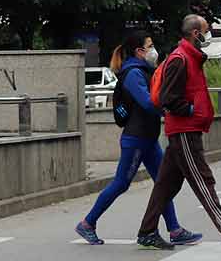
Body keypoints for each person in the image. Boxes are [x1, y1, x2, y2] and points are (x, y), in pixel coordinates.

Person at [135, 14, 221, 252]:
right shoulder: (180, 59)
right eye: (206, 29)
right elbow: (167, 98)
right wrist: (191, 110)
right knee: (203, 181)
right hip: (184, 131)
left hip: (184, 130)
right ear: (196, 33)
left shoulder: (190, 58)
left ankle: (147, 231)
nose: (209, 33)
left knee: (166, 186)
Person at [75, 30, 202, 247]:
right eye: (150, 45)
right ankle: (87, 223)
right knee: (121, 183)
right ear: (139, 51)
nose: (154, 50)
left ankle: (175, 230)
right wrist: (175, 109)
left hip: (147, 138)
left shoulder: (144, 70)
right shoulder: (134, 74)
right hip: (136, 139)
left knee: (163, 183)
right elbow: (148, 103)